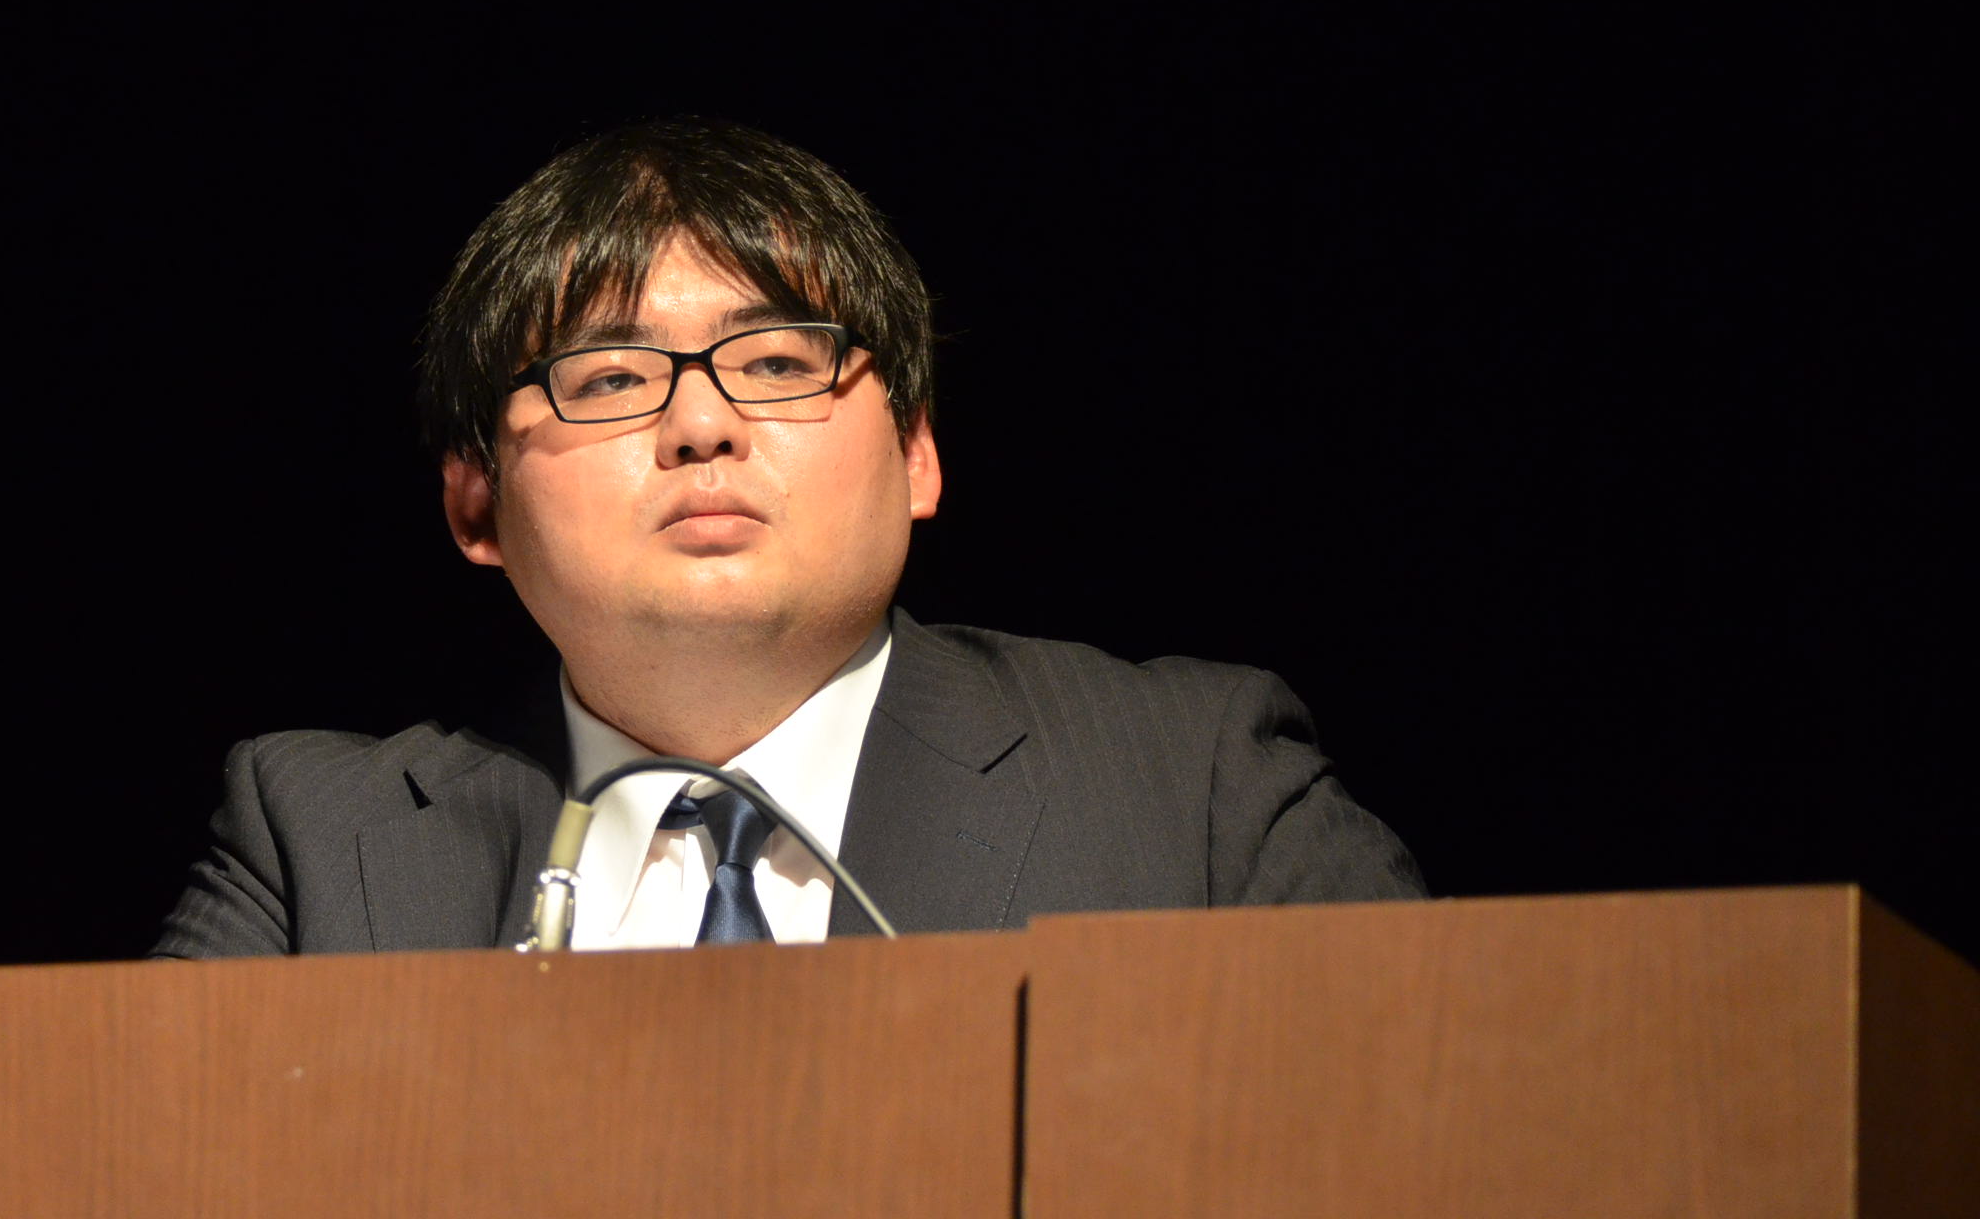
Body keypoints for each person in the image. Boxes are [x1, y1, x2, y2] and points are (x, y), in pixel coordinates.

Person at [154, 117, 1423, 957]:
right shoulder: (316, 844)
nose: (702, 425)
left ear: (916, 455)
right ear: (474, 506)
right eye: (609, 379)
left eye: (774, 363)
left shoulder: (1191, 784)